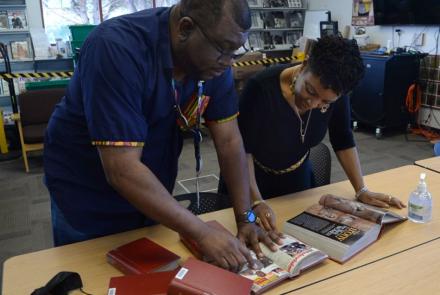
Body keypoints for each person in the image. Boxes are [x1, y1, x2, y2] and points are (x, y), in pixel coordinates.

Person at [44, 0, 277, 272]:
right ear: (184, 28)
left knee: (148, 278)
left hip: (150, 190)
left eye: (234, 52)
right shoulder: (115, 47)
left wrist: (246, 218)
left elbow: (229, 141)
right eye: (223, 50)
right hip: (88, 194)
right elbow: (122, 169)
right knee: (92, 277)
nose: (228, 63)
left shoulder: (213, 63)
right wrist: (200, 232)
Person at [236, 36, 406, 236]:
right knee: (251, 236)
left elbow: (343, 139)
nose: (314, 104)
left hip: (298, 182)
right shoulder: (261, 89)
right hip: (250, 181)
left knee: (302, 238)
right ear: (304, 65)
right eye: (310, 90)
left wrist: (362, 191)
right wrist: (256, 201)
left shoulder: (336, 95)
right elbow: (241, 150)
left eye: (325, 101)